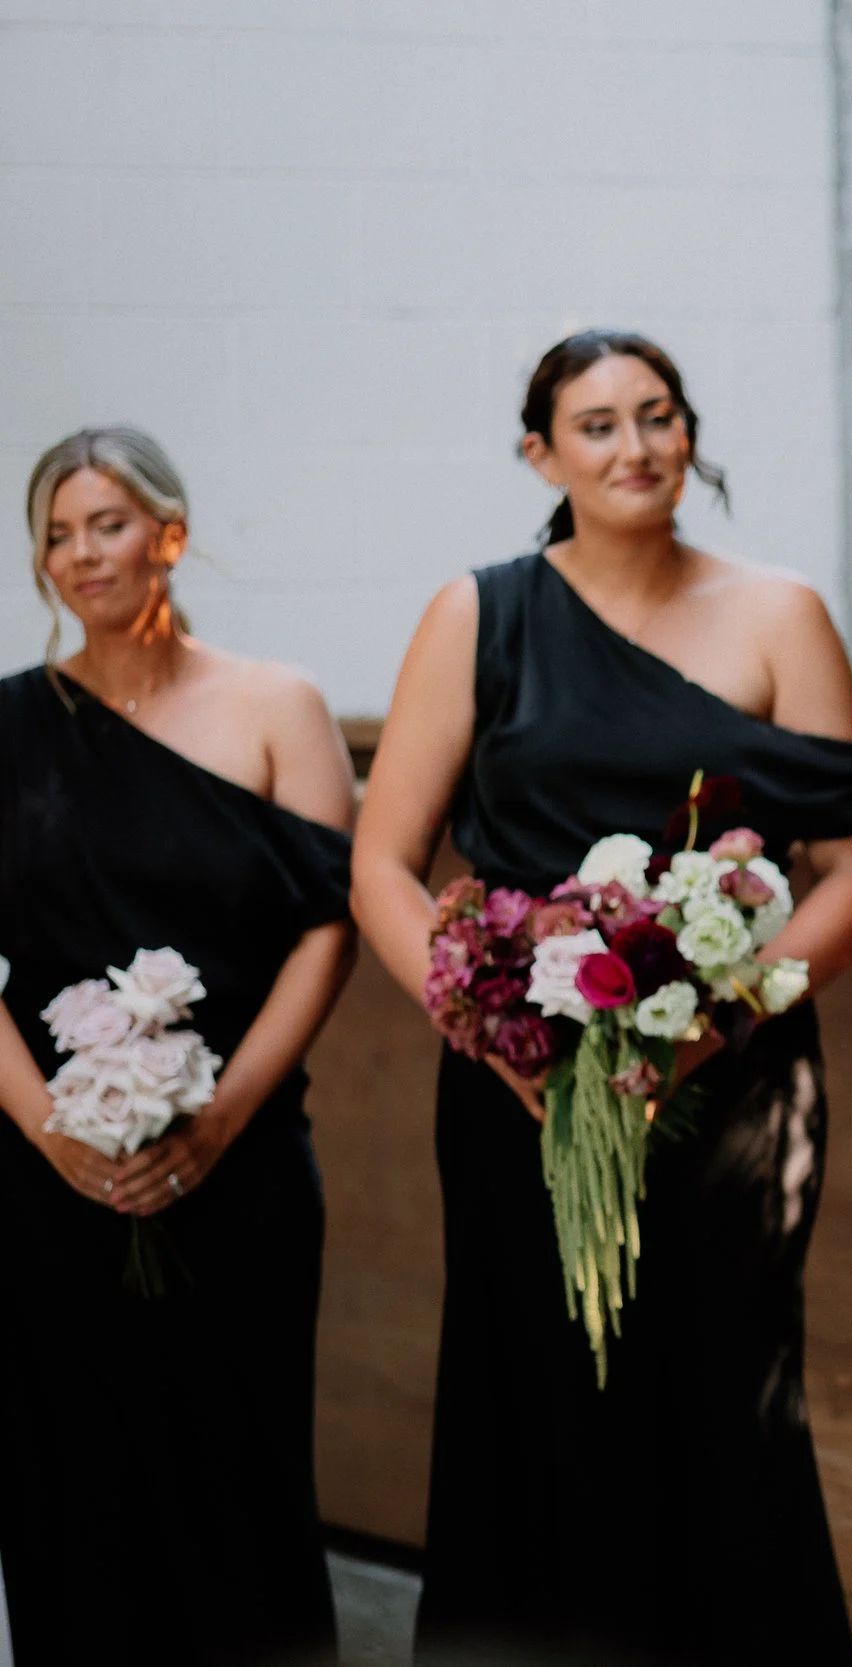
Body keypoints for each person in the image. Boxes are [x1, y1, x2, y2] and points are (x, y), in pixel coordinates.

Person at [350, 330, 852, 1666]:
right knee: (530, 1396)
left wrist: (722, 1017)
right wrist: (484, 1020)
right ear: (541, 453)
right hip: (517, 1083)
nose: (636, 445)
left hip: (735, 1086)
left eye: (658, 416)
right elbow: (380, 857)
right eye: (597, 425)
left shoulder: (783, 616)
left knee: (726, 1398)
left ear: (690, 434)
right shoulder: (475, 613)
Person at [0, 427, 358, 1665]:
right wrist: (54, 1134)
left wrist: (218, 1121)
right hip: (47, 1184)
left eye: (105, 522)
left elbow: (331, 928)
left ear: (169, 532)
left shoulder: (278, 705)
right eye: (54, 531)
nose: (79, 552)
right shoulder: (7, 725)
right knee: (69, 1491)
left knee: (237, 1478)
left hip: (242, 1168)